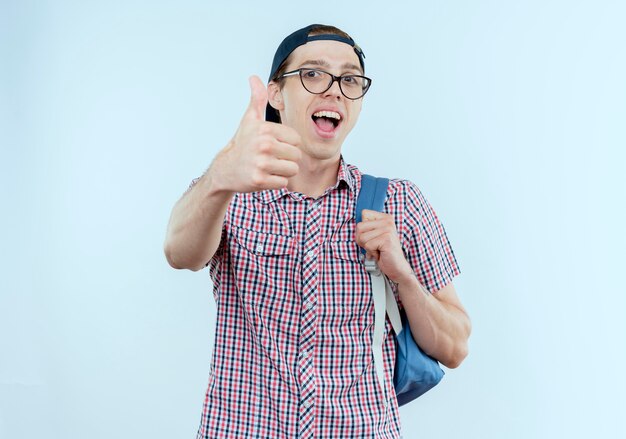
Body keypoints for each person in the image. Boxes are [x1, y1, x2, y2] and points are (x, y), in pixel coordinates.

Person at [164, 24, 471, 439]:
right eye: (313, 74)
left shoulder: (399, 202)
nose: (334, 91)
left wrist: (403, 279)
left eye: (350, 79)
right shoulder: (231, 192)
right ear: (275, 94)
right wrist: (220, 177)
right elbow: (178, 253)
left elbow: (454, 348)